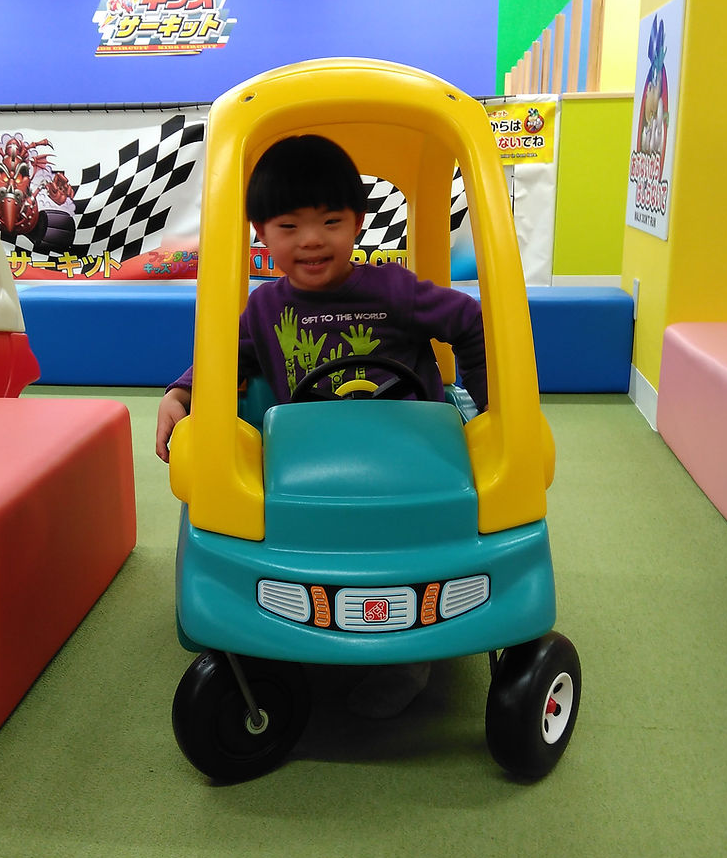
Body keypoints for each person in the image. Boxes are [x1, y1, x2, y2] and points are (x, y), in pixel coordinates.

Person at [155, 133, 489, 718]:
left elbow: (473, 324)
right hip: (313, 469)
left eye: (330, 221)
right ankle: (264, 612)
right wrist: (182, 391)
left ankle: (408, 655)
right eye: (289, 226)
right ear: (260, 234)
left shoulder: (395, 291)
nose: (311, 240)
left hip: (409, 464)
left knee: (406, 551)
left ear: (358, 223)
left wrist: (491, 413)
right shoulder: (265, 309)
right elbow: (226, 358)